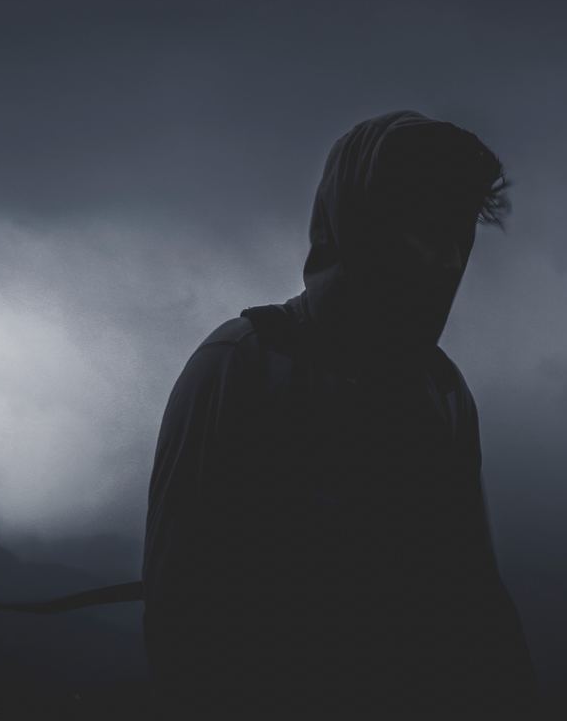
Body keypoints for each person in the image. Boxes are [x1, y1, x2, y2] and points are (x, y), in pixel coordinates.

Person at [141, 110, 539, 719]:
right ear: (362, 228)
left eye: (461, 235)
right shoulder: (240, 367)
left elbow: (475, 598)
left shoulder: (441, 392)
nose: (450, 260)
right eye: (428, 231)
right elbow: (179, 615)